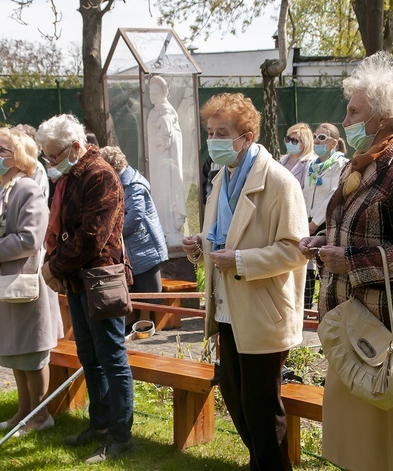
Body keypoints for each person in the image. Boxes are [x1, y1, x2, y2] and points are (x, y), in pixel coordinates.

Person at [299, 52, 393, 471]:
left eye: (354, 111)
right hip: (356, 325)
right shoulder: (365, 162)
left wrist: (351, 262)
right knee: (357, 445)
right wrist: (325, 239)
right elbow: (362, 228)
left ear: (382, 117)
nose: (345, 121)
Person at [182, 92, 308, 471]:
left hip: (262, 307)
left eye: (222, 132)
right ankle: (261, 464)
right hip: (228, 306)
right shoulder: (223, 176)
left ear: (247, 136)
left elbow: (295, 249)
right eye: (210, 132)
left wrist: (238, 260)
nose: (213, 140)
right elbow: (224, 236)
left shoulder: (280, 181)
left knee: (261, 408)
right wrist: (198, 247)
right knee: (236, 398)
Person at [36, 114, 135, 464]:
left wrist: (53, 266)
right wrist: (57, 263)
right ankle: (100, 425)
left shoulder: (100, 175)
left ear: (76, 147)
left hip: (99, 280)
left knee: (112, 358)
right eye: (46, 156)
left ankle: (121, 436)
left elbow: (92, 238)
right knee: (89, 357)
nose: (49, 163)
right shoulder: (71, 175)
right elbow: (66, 231)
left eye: (53, 155)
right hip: (78, 279)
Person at [0, 127, 63, 436]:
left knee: (32, 354)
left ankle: (41, 414)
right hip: (3, 282)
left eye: (2, 149)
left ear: (18, 157)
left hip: (25, 285)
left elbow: (31, 239)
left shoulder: (28, 190)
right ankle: (23, 412)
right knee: (16, 354)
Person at [100, 145, 168, 331]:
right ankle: (132, 324)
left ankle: (146, 326)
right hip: (132, 247)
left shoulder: (133, 184)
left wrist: (112, 235)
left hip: (143, 246)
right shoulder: (120, 181)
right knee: (132, 288)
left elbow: (135, 217)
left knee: (146, 291)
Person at [301, 123, 349, 308]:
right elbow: (306, 193)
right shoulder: (313, 165)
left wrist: (315, 223)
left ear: (334, 143)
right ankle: (309, 304)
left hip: (326, 222)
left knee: (326, 265)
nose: (316, 141)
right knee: (308, 265)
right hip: (309, 220)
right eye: (315, 136)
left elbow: (333, 195)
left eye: (322, 138)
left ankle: (331, 304)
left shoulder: (341, 164)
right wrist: (305, 219)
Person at [147, 75, 186, 246]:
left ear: (163, 93)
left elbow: (171, 140)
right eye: (150, 92)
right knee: (158, 193)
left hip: (166, 165)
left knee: (167, 193)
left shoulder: (168, 114)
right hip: (155, 163)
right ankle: (160, 227)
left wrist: (160, 141)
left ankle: (170, 228)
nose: (152, 96)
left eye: (155, 92)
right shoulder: (152, 113)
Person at [279, 123, 316, 188]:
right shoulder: (281, 161)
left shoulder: (311, 163)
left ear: (305, 143)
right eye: (288, 139)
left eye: (294, 141)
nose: (290, 143)